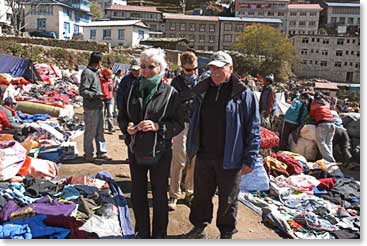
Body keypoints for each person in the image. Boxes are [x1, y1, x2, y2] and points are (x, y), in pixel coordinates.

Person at [184, 51, 261, 239]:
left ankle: (226, 233)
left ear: (231, 69)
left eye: (220, 68)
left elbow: (254, 128)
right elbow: (192, 117)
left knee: (228, 199)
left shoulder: (244, 94)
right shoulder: (202, 89)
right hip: (204, 153)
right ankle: (199, 226)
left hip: (231, 157)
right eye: (212, 68)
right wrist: (191, 146)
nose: (215, 72)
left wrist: (250, 158)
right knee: (201, 195)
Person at [117, 48, 184, 239]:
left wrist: (157, 126)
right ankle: (142, 233)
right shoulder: (132, 89)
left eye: (151, 67)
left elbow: (178, 124)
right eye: (143, 66)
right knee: (138, 194)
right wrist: (127, 127)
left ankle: (159, 235)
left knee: (159, 195)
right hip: (136, 150)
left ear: (161, 68)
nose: (145, 71)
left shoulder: (170, 93)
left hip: (160, 152)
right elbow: (122, 116)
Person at [168, 51, 199, 211]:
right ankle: (174, 194)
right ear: (182, 69)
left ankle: (189, 192)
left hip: (197, 125)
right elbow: (173, 101)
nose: (192, 73)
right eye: (188, 70)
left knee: (193, 160)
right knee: (178, 160)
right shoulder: (176, 83)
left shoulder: (202, 81)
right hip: (181, 125)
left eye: (194, 69)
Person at [79, 51, 111, 162]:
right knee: (90, 132)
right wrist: (97, 95)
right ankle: (88, 154)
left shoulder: (96, 73)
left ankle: (101, 152)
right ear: (98, 61)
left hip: (98, 106)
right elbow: (83, 91)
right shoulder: (87, 73)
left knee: (100, 131)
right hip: (91, 107)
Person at [309, 92, 336, 163]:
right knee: (328, 142)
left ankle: (330, 159)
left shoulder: (314, 103)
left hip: (323, 123)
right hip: (332, 123)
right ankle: (330, 160)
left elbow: (311, 114)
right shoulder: (326, 103)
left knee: (321, 142)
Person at [100, 68, 114, 134]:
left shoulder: (111, 80)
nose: (110, 76)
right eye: (109, 75)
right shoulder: (100, 80)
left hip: (109, 99)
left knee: (110, 114)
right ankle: (101, 128)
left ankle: (110, 128)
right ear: (105, 75)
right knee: (102, 114)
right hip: (102, 99)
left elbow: (111, 89)